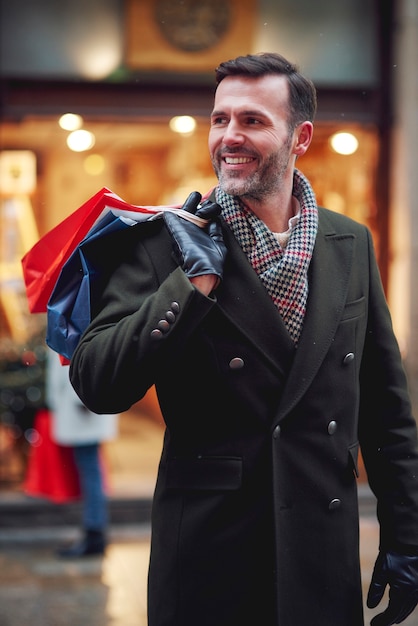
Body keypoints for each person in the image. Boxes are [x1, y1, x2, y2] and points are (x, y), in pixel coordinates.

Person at [68, 52, 418, 625]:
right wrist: (189, 286)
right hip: (209, 558)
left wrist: (407, 533)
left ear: (299, 136)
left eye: (252, 120)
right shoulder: (165, 244)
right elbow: (98, 384)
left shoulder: (349, 244)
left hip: (319, 553)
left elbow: (385, 407)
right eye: (220, 119)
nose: (230, 136)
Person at [46, 348, 118, 557]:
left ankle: (94, 532)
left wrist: (81, 396)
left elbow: (84, 353)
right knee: (90, 470)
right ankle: (93, 530)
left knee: (91, 471)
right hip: (82, 406)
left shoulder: (78, 317)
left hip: (83, 409)